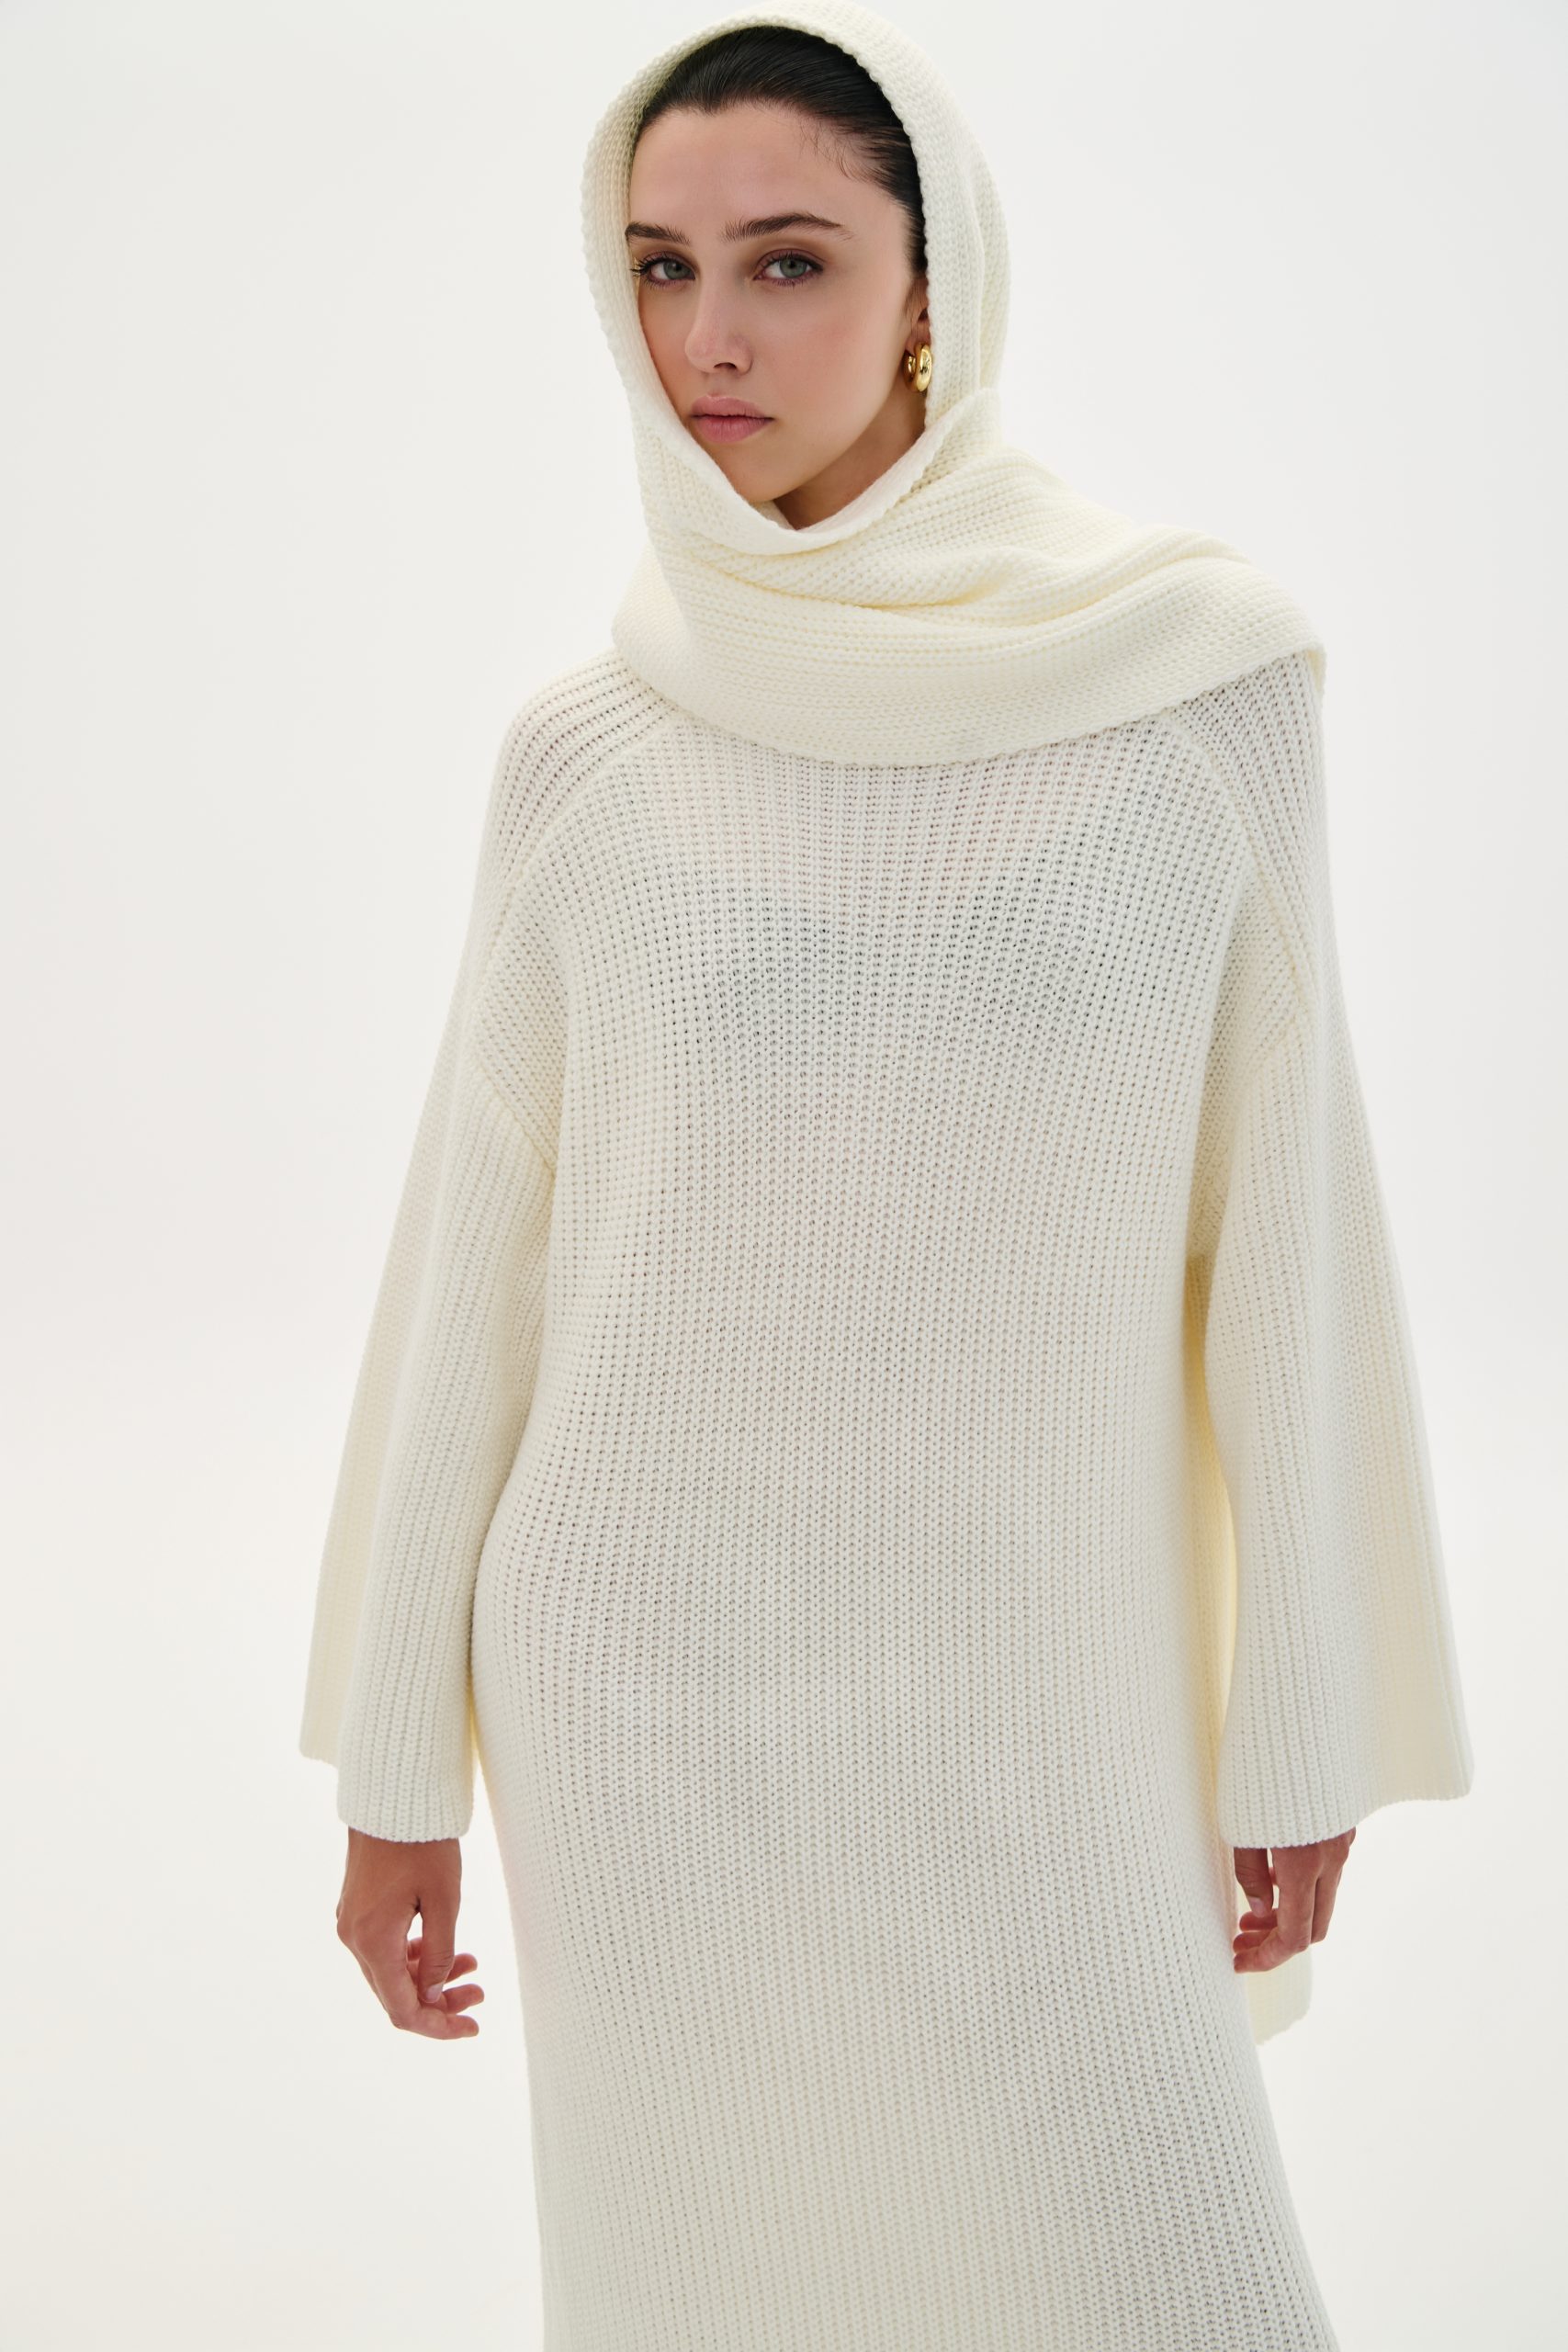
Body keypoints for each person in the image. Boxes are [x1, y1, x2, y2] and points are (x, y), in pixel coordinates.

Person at [299, 3, 1476, 2342]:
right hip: (647, 1697)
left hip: (1043, 1687)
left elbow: (1284, 1226)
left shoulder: (1196, 686)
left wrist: (1299, 1708)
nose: (706, 339)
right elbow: (476, 1269)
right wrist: (397, 1762)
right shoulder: (589, 753)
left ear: (933, 288)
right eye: (656, 268)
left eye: (786, 261)